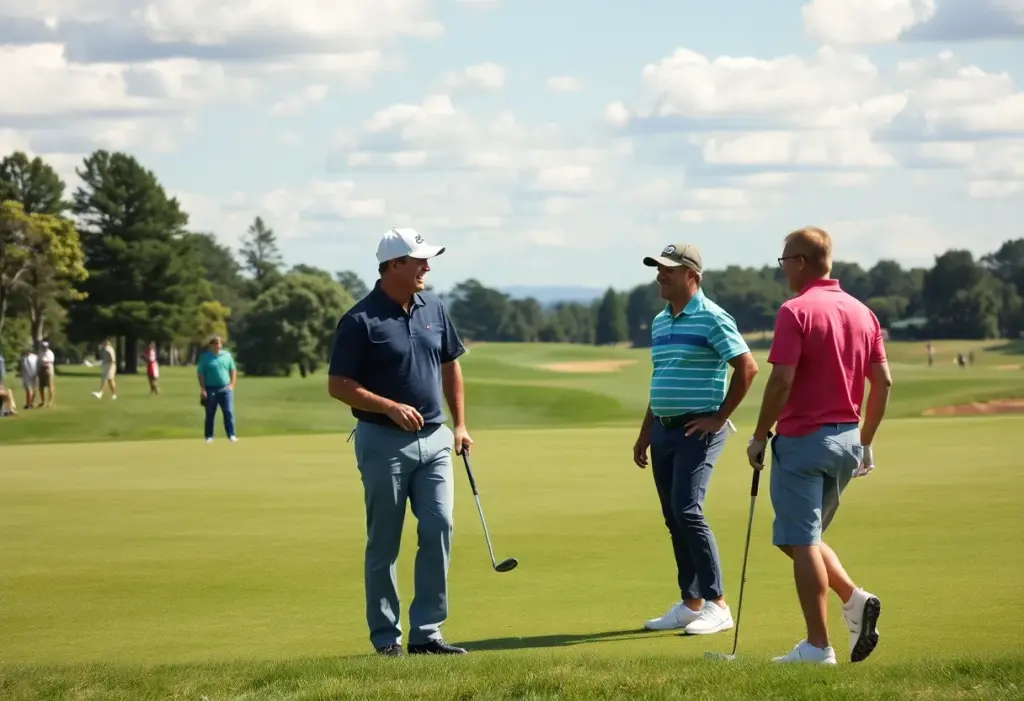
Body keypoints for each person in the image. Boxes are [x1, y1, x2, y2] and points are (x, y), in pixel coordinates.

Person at [747, 226, 891, 665]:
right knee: (799, 539)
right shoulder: (863, 312)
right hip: (847, 442)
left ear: (801, 263)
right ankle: (854, 600)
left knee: (801, 541)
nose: (783, 269)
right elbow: (883, 383)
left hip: (803, 441)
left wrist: (759, 435)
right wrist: (866, 441)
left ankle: (817, 646)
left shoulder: (795, 310)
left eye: (784, 261)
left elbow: (781, 381)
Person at [327, 227, 471, 657]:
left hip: (436, 439)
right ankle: (386, 638)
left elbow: (451, 365)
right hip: (382, 442)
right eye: (419, 261)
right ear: (394, 265)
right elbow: (338, 384)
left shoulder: (434, 308)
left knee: (440, 526)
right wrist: (388, 406)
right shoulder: (359, 320)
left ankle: (426, 632)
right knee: (385, 542)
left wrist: (460, 425)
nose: (427, 267)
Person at [633, 243, 759, 636]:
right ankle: (691, 603)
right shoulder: (660, 321)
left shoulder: (712, 317)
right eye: (658, 269)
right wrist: (645, 432)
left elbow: (747, 368)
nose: (660, 275)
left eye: (668, 270)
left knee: (687, 510)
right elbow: (662, 379)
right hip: (664, 428)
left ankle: (717, 604)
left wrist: (720, 417)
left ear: (692, 275)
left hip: (697, 430)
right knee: (674, 516)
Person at [196, 335, 237, 442]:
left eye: (218, 343)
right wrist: (203, 389)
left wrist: (232, 385)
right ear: (210, 345)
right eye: (214, 343)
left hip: (225, 389)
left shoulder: (227, 355)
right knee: (210, 413)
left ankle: (231, 435)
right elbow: (201, 374)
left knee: (228, 412)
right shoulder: (205, 357)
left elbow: (232, 370)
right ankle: (209, 436)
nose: (217, 345)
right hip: (210, 389)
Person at [37, 340, 55, 407]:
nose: (44, 347)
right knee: (41, 387)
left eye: (45, 346)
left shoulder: (50, 353)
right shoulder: (40, 352)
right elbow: (39, 361)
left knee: (50, 385)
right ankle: (43, 401)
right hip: (41, 370)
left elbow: (49, 362)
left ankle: (51, 401)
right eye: (43, 346)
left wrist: (44, 364)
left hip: (48, 370)